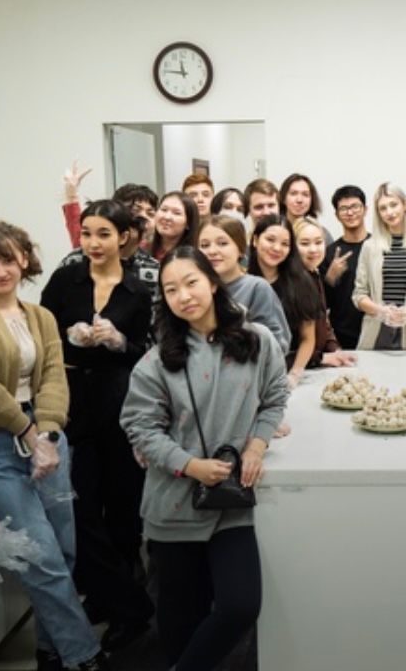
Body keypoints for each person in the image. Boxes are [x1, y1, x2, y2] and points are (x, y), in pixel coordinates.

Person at [0, 222, 109, 671]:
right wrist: (27, 431)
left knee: (65, 551)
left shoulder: (40, 316)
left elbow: (53, 375)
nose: (0, 271)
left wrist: (49, 432)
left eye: (8, 260)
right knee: (42, 558)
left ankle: (51, 652)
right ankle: (84, 656)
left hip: (48, 438)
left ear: (24, 261)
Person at [121, 246, 288, 671]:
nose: (184, 296)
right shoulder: (157, 360)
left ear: (213, 283)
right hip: (174, 505)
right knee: (180, 623)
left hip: (232, 503)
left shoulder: (258, 340)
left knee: (240, 605)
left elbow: (274, 398)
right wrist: (190, 465)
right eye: (171, 289)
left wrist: (256, 445)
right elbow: (140, 427)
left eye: (191, 282)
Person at [40, 200, 155, 651]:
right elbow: (43, 333)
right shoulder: (65, 279)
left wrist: (119, 341)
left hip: (120, 400)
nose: (93, 242)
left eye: (103, 233)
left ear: (124, 237)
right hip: (71, 399)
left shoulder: (137, 290)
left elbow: (147, 352)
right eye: (86, 233)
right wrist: (69, 337)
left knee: (123, 510)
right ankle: (127, 602)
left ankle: (117, 602)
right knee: (81, 509)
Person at [352, 182, 406, 350]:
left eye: (394, 204)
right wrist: (381, 311)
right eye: (383, 208)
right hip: (375, 333)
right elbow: (359, 295)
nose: (389, 212)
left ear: (405, 205)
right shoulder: (369, 247)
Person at [197, 215, 291, 353]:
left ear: (240, 249)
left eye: (222, 243)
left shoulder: (256, 288)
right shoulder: (195, 289)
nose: (212, 251)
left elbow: (279, 343)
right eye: (204, 245)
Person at [248, 215, 321, 387]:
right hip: (248, 373)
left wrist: (294, 374)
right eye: (270, 240)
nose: (277, 248)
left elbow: (307, 338)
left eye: (285, 244)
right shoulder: (242, 281)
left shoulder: (301, 282)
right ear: (255, 240)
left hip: (287, 370)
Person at [293, 217, 358, 368]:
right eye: (304, 243)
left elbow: (324, 323)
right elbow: (291, 344)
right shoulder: (290, 283)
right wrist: (321, 358)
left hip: (317, 362)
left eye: (318, 242)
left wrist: (335, 350)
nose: (313, 249)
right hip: (299, 367)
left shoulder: (315, 275)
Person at [59, 161, 158, 251]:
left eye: (151, 214)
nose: (144, 217)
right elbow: (78, 232)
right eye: (135, 210)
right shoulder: (96, 248)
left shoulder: (157, 254)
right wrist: (71, 194)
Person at [321, 185, 370, 350]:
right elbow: (322, 303)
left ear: (365, 209)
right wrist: (330, 277)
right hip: (342, 336)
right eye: (343, 209)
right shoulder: (329, 253)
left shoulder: (378, 246)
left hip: (376, 332)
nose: (350, 212)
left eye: (355, 206)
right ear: (336, 215)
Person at [279, 173, 333, 246]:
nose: (299, 200)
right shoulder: (273, 229)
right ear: (283, 198)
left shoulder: (323, 234)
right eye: (293, 193)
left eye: (305, 194)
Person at [150, 191, 200, 262]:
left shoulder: (194, 258)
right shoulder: (143, 248)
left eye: (176, 213)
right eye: (164, 210)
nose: (167, 217)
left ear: (188, 223)